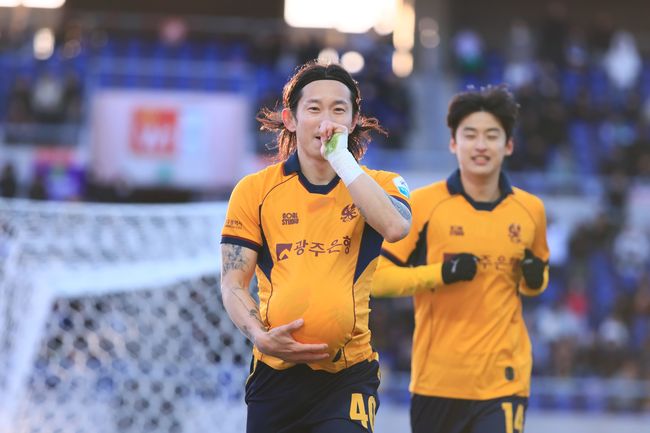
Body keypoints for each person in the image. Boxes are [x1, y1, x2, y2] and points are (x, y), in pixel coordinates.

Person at [220, 60, 412, 433]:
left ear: (353, 122)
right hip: (274, 379)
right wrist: (260, 337)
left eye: (338, 110)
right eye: (314, 109)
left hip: (348, 375)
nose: (326, 121)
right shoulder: (254, 190)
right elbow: (233, 283)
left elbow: (394, 227)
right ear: (290, 119)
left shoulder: (382, 184)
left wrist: (341, 160)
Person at [372, 85, 550, 433]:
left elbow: (536, 280)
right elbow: (378, 279)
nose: (481, 145)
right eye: (470, 135)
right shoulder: (424, 205)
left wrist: (533, 278)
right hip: (437, 381)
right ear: (453, 143)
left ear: (508, 145)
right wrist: (442, 273)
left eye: (492, 136)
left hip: (505, 379)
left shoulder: (531, 210)